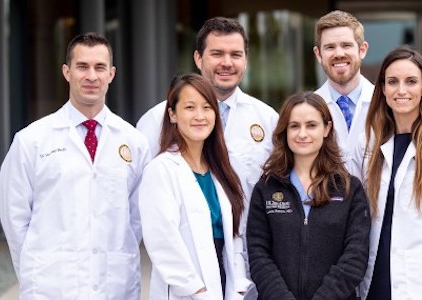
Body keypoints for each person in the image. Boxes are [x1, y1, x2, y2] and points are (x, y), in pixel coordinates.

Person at [0, 32, 150, 298]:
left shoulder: (134, 143)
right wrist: (36, 270)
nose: (91, 76)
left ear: (111, 74)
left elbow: (137, 216)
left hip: (115, 284)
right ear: (67, 72)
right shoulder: (31, 140)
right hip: (50, 287)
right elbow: (14, 215)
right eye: (82, 66)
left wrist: (117, 252)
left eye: (99, 67)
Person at [349, 46, 422, 299]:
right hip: (373, 280)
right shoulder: (367, 143)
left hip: (421, 283)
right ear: (382, 89)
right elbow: (355, 215)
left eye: (411, 81)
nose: (401, 90)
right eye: (392, 82)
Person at [247, 91, 370, 299]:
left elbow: (355, 257)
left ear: (327, 128)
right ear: (285, 131)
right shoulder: (266, 188)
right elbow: (259, 255)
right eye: (294, 126)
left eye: (311, 125)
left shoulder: (350, 189)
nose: (302, 134)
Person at [137, 17, 278, 198]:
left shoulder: (268, 120)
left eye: (235, 55)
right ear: (198, 58)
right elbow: (141, 192)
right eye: (217, 54)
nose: (227, 63)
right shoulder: (158, 118)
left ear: (245, 60)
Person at [139, 73, 252, 299]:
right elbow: (162, 241)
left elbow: (235, 235)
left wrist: (238, 284)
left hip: (225, 283)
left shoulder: (222, 170)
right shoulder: (161, 169)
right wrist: (197, 290)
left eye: (207, 107)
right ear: (172, 114)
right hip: (187, 291)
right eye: (190, 107)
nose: (200, 116)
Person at [313, 10, 374, 161]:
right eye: (330, 47)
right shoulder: (308, 108)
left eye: (346, 45)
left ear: (362, 50)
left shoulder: (385, 104)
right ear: (318, 54)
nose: (339, 53)